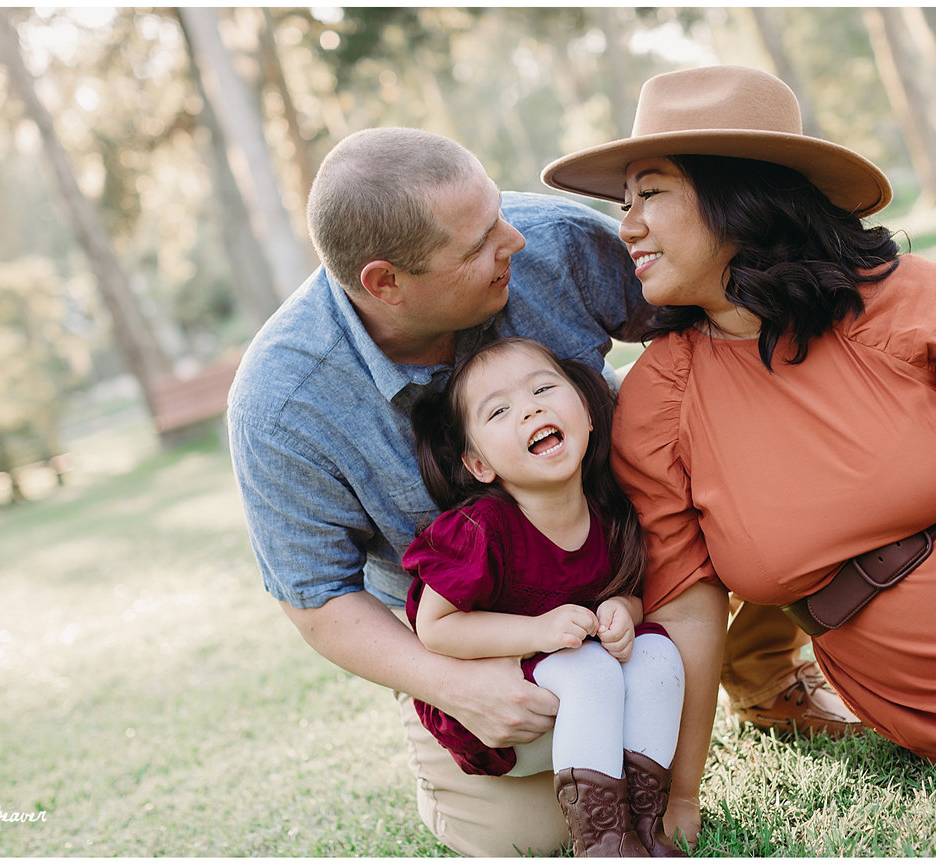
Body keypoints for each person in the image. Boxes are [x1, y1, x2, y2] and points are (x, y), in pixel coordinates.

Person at [541, 65, 936, 844]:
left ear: (737, 195)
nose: (627, 227)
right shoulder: (658, 403)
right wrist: (682, 793)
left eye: (650, 194)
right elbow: (688, 608)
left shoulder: (904, 299)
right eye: (623, 203)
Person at [226, 126, 846, 856]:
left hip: (622, 540)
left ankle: (761, 663)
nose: (513, 239)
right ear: (385, 283)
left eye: (498, 210)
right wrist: (449, 685)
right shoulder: (281, 402)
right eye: (478, 241)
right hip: (475, 625)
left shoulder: (556, 243)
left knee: (764, 504)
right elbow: (319, 597)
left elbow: (713, 317)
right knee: (528, 833)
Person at [403, 336, 685, 857]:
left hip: (584, 704)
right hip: (502, 707)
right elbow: (435, 626)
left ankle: (646, 826)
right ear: (480, 464)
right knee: (589, 668)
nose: (531, 407)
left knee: (656, 651)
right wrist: (536, 631)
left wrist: (624, 611)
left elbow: (625, 591)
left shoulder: (609, 511)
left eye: (544, 388)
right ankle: (601, 843)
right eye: (500, 410)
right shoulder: (481, 529)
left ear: (587, 412)